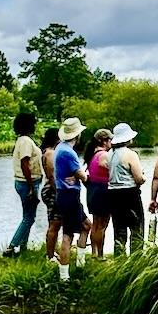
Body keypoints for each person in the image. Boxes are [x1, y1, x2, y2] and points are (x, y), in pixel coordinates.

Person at [52, 117, 89, 280]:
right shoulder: (69, 152)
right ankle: (64, 276)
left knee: (87, 226)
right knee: (68, 235)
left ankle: (81, 263)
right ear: (77, 135)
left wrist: (76, 176)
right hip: (70, 196)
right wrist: (84, 175)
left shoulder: (60, 147)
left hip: (64, 194)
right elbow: (82, 176)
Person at [106, 122, 146, 254]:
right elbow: (138, 178)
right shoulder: (130, 154)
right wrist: (144, 177)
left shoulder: (109, 154)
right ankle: (136, 260)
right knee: (136, 229)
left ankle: (119, 261)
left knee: (119, 231)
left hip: (113, 195)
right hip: (130, 195)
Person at [4, 112, 40, 257]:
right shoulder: (25, 141)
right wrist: (31, 186)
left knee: (28, 216)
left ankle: (23, 247)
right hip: (27, 183)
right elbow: (25, 163)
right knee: (29, 217)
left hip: (25, 182)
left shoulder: (23, 140)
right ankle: (12, 246)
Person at [84, 128, 114, 257]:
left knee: (96, 224)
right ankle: (100, 255)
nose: (111, 142)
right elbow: (107, 166)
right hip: (103, 191)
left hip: (92, 191)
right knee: (102, 225)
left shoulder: (92, 155)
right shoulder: (104, 155)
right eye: (110, 140)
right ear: (104, 141)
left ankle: (93, 253)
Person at [40, 127, 62, 262]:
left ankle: (52, 252)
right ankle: (50, 255)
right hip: (52, 189)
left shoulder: (47, 152)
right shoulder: (50, 154)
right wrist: (58, 191)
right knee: (54, 223)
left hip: (50, 188)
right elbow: (52, 176)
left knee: (54, 223)